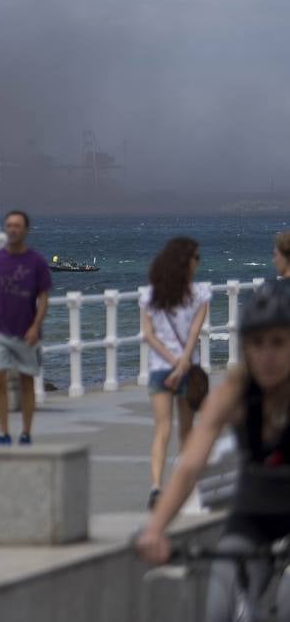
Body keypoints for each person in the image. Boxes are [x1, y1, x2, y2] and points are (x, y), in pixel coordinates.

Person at [136, 279, 290, 621]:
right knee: (221, 598)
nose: (267, 356)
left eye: (279, 343)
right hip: (253, 514)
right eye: (257, 343)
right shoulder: (234, 393)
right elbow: (191, 463)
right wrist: (156, 528)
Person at [140, 237, 210, 510]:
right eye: (196, 258)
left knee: (162, 430)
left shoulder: (150, 295)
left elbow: (149, 335)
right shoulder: (200, 294)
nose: (198, 263)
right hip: (186, 369)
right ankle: (184, 488)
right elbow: (194, 333)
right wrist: (181, 365)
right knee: (186, 431)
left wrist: (170, 362)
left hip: (160, 370)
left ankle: (156, 487)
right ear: (186, 261)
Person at [0, 210, 52, 446]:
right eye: (8, 225)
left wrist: (36, 325)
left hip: (26, 331)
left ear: (26, 230)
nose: (12, 229)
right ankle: (3, 432)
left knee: (26, 381)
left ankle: (26, 432)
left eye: (17, 225)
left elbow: (44, 297)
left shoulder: (36, 262)